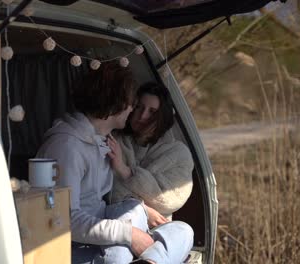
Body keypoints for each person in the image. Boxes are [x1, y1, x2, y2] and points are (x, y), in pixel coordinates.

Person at [36, 63, 193, 264]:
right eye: (132, 104)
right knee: (126, 234)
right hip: (74, 246)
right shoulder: (66, 147)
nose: (132, 110)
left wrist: (140, 211)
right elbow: (64, 221)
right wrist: (129, 234)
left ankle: (153, 261)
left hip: (99, 233)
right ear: (116, 104)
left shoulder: (102, 140)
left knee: (182, 230)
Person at [107, 82, 194, 228]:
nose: (142, 115)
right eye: (139, 107)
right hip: (117, 225)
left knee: (184, 231)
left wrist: (126, 173)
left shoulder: (179, 154)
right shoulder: (114, 141)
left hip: (158, 227)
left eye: (152, 111)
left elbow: (170, 199)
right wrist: (144, 209)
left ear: (163, 116)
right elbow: (110, 191)